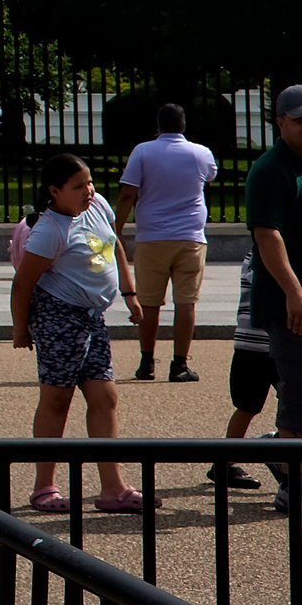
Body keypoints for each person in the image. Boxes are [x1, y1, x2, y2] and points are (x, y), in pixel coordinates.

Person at [13, 153, 145, 513]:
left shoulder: (97, 205)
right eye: (78, 186)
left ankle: (112, 488)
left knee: (105, 398)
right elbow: (23, 284)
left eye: (89, 182)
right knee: (57, 400)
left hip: (92, 317)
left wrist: (130, 294)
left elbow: (113, 244)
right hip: (59, 318)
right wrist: (21, 329)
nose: (88, 190)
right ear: (54, 192)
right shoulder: (49, 230)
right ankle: (44, 487)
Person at [119, 102, 217, 382]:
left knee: (150, 303)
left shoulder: (143, 151)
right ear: (183, 125)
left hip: (152, 236)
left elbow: (128, 193)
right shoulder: (201, 153)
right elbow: (211, 175)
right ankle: (180, 364)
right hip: (190, 236)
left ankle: (147, 362)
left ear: (158, 125)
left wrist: (117, 227)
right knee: (186, 303)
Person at [243, 84, 302, 515]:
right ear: (280, 122)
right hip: (287, 301)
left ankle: (277, 449)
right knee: (298, 389)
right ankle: (292, 484)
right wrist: (294, 291)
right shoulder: (270, 170)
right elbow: (268, 234)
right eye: (300, 122)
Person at [210, 252, 279, 491]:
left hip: (253, 342)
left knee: (248, 407)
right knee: (249, 406)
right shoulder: (265, 255)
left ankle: (228, 460)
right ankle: (276, 449)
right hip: (265, 342)